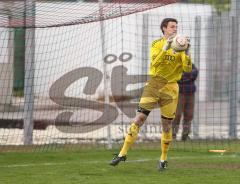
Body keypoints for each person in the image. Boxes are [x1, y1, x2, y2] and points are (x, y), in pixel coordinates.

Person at [110, 18, 192, 171]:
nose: (175, 29)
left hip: (171, 88)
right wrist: (165, 48)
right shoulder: (156, 44)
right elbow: (155, 64)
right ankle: (122, 153)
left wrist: (187, 53)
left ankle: (163, 159)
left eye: (176, 27)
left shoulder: (181, 47)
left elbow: (187, 69)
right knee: (139, 118)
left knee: (167, 125)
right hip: (154, 85)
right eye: (172, 27)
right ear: (164, 29)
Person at [172, 63, 198, 141]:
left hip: (190, 93)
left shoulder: (191, 65)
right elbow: (176, 77)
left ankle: (185, 136)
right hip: (179, 93)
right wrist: (187, 75)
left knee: (189, 115)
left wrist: (184, 75)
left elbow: (195, 73)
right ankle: (172, 135)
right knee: (177, 115)